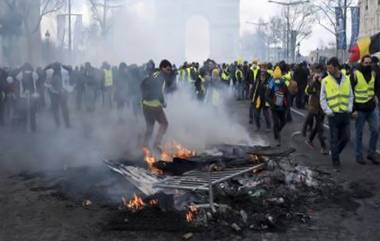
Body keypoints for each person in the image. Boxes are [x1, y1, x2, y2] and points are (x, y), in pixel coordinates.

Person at [320, 57, 354, 170]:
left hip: (345, 113)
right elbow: (322, 99)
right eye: (327, 68)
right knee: (334, 139)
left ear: (336, 67)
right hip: (333, 115)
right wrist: (328, 111)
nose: (328, 70)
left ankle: (334, 152)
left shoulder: (347, 79)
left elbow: (350, 95)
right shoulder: (325, 81)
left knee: (346, 137)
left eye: (330, 68)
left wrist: (349, 108)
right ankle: (336, 161)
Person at [350, 55, 379, 165]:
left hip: (371, 107)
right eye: (366, 63)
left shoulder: (373, 73)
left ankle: (371, 153)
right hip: (360, 109)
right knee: (359, 133)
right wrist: (353, 110)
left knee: (376, 130)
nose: (368, 65)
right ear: (361, 63)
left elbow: (375, 87)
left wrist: (375, 95)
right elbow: (351, 92)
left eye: (369, 63)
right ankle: (359, 156)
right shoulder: (355, 74)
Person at [141, 59, 172, 150]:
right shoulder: (162, 77)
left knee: (150, 127)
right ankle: (156, 145)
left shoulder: (154, 74)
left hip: (145, 105)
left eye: (170, 70)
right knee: (164, 124)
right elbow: (159, 92)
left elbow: (142, 84)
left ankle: (145, 147)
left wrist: (144, 98)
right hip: (154, 105)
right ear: (162, 68)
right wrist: (163, 103)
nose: (169, 72)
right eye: (167, 69)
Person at [304, 64, 328, 154]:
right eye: (315, 71)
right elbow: (308, 91)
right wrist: (314, 81)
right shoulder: (312, 78)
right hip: (314, 106)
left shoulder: (326, 79)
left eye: (318, 72)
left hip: (323, 106)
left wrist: (322, 81)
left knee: (318, 126)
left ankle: (309, 139)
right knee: (320, 127)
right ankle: (323, 146)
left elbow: (328, 90)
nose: (316, 73)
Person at [266, 65, 289, 146]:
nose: (278, 80)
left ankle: (277, 131)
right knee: (276, 123)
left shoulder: (283, 83)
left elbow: (287, 94)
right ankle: (278, 139)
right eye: (276, 78)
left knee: (283, 122)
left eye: (279, 78)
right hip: (274, 107)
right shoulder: (271, 83)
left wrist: (287, 105)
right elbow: (267, 96)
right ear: (274, 76)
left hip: (282, 107)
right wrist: (272, 102)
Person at [249, 63, 271, 131]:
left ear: (266, 69)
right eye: (262, 69)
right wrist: (251, 96)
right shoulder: (258, 78)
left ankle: (268, 127)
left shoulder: (269, 79)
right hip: (258, 99)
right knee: (256, 114)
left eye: (264, 69)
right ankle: (257, 126)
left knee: (266, 114)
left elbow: (272, 89)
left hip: (265, 99)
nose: (263, 70)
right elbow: (253, 88)